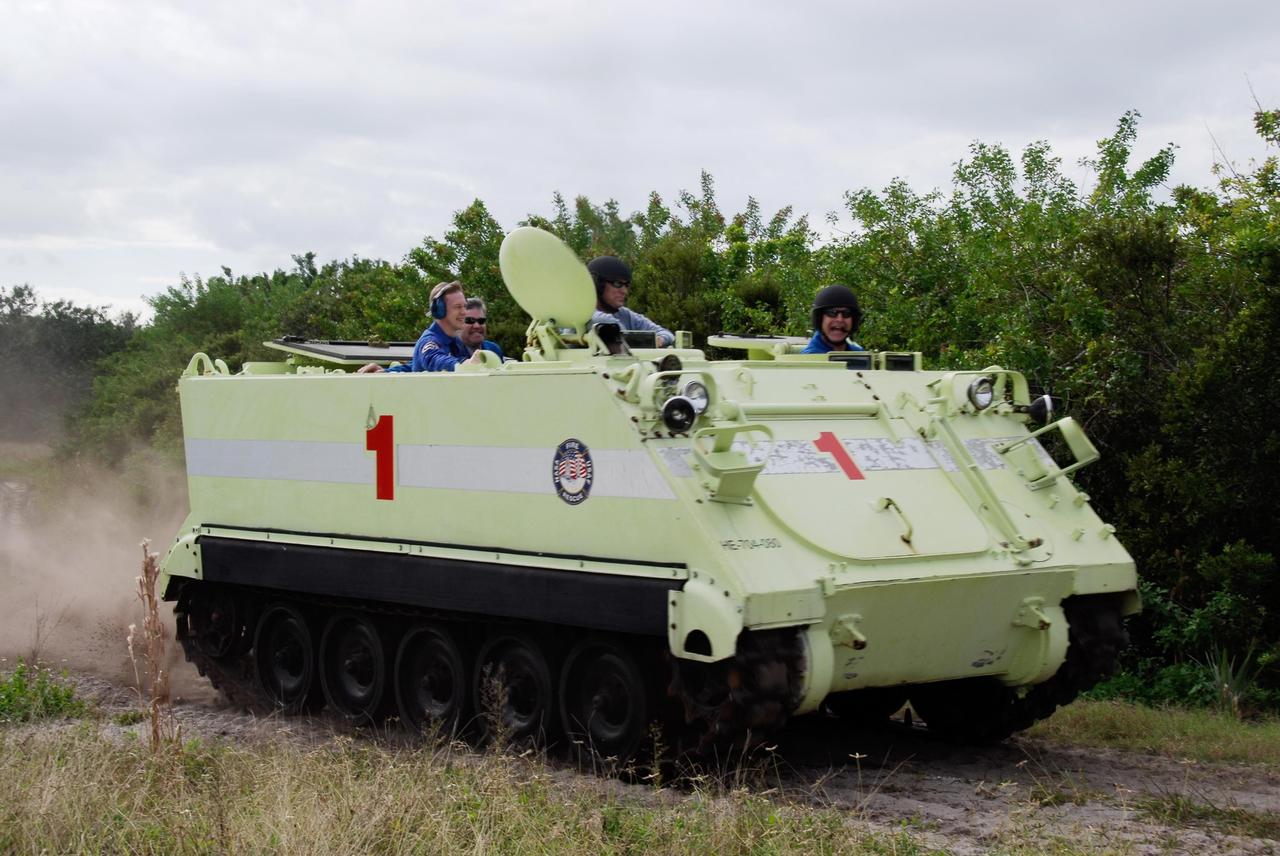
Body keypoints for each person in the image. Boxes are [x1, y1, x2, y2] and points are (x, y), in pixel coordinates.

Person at [358, 281, 482, 373]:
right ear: (439, 310)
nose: (464, 312)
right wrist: (464, 365)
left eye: (464, 306)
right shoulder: (429, 342)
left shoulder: (456, 342)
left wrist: (387, 372)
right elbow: (434, 360)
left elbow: (415, 367)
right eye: (458, 307)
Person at [587, 256, 674, 347]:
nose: (624, 291)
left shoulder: (625, 315)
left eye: (626, 285)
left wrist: (660, 340)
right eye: (617, 284)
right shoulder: (583, 316)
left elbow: (666, 334)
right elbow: (610, 326)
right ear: (597, 284)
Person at [801, 284, 864, 353]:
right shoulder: (810, 360)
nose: (840, 319)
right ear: (819, 319)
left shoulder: (860, 355)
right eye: (832, 313)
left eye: (846, 313)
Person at [457, 297, 506, 361]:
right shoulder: (448, 353)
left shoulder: (494, 350)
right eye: (470, 320)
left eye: (481, 321)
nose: (477, 326)